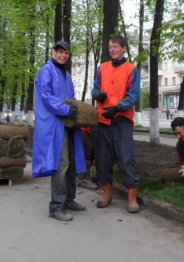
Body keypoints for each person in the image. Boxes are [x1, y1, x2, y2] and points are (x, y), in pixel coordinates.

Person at [32, 40, 86, 222]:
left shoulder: (66, 75)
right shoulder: (46, 71)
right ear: (54, 52)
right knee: (61, 164)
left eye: (66, 53)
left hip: (68, 124)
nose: (63, 55)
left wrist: (76, 112)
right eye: (60, 52)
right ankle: (55, 206)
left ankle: (69, 199)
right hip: (55, 125)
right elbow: (47, 97)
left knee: (71, 163)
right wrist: (68, 110)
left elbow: (71, 98)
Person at [92, 35, 141, 213]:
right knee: (103, 160)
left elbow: (133, 96)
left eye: (115, 46)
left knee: (126, 159)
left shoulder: (131, 70)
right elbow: (95, 88)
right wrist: (97, 95)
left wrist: (118, 107)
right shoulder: (102, 68)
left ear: (124, 48)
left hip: (122, 121)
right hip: (103, 121)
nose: (112, 49)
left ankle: (132, 198)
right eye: (110, 46)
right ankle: (106, 194)